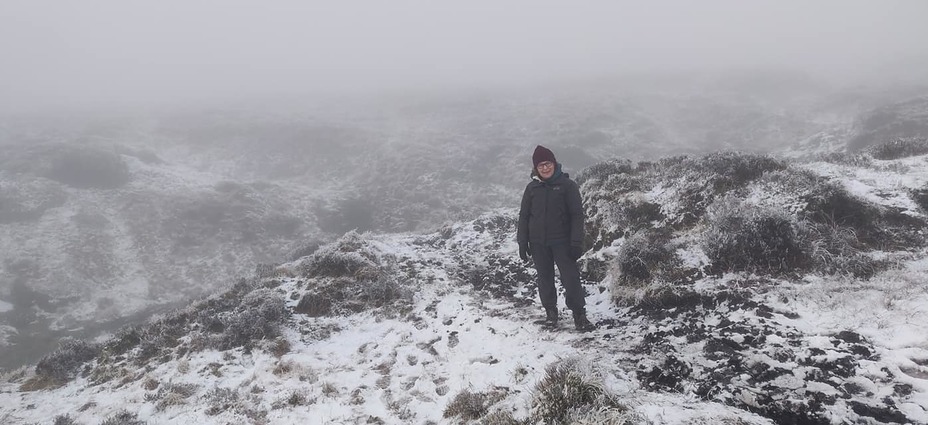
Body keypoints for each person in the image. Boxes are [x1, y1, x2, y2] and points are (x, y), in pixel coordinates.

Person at [517, 145, 594, 331]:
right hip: (538, 243)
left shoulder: (568, 186)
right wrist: (522, 241)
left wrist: (576, 242)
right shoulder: (532, 188)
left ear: (554, 164)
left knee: (570, 279)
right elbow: (524, 215)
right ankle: (551, 313)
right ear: (536, 168)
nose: (545, 168)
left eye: (548, 163)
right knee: (544, 278)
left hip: (562, 242)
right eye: (541, 165)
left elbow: (577, 215)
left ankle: (579, 315)